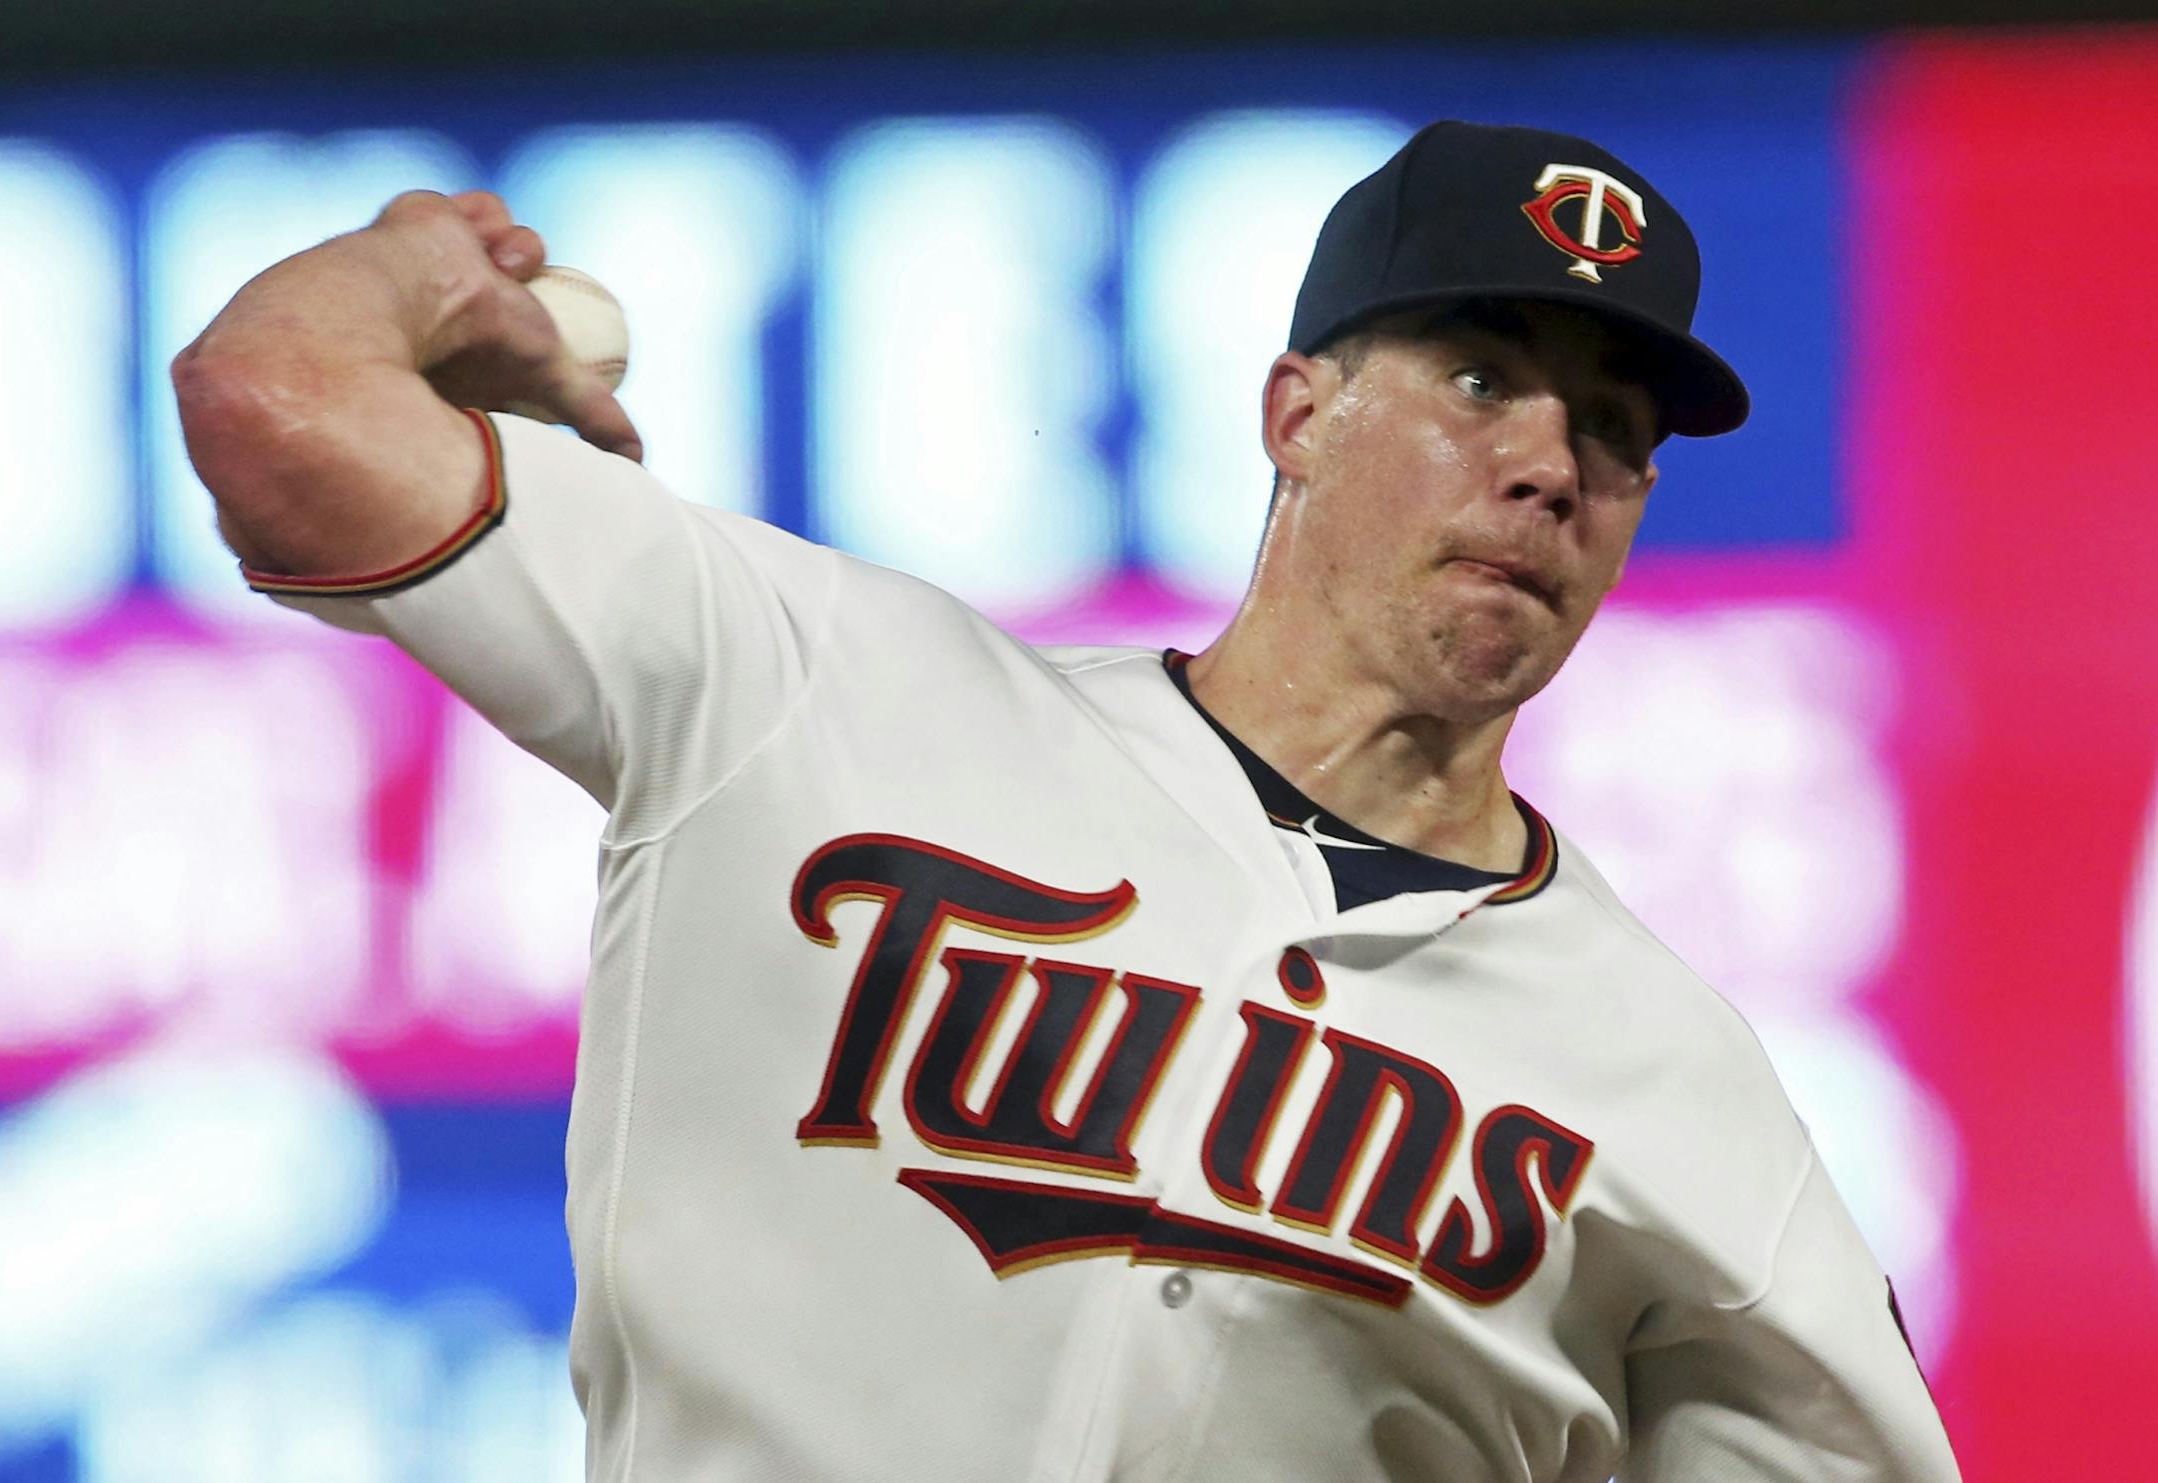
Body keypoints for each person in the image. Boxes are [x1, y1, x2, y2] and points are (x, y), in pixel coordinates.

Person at [175, 120, 1961, 1481]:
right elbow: (278, 403)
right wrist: (428, 265)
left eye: (1614, 428)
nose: (1548, 464)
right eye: (1484, 377)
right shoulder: (808, 691)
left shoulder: (1681, 1084)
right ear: (1298, 412)